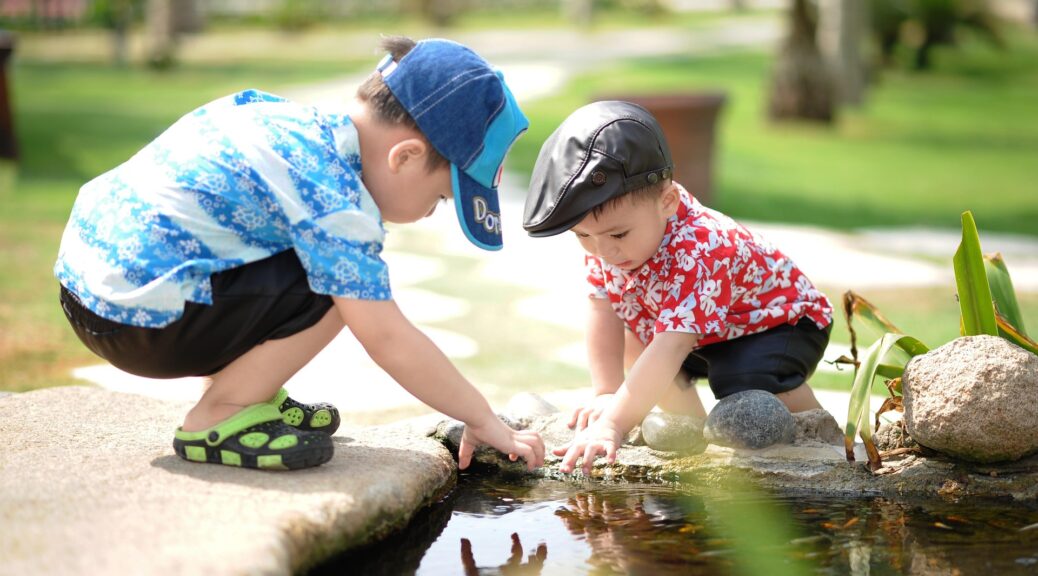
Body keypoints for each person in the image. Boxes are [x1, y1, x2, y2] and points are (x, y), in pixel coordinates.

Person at [55, 36, 544, 472]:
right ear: (406, 156)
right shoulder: (334, 198)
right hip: (138, 321)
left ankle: (249, 393)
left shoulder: (289, 123)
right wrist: (480, 417)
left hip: (91, 289)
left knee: (313, 261)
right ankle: (220, 415)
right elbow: (387, 338)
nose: (429, 213)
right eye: (440, 199)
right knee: (343, 289)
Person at [522, 101, 832, 474]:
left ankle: (820, 436)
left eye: (618, 234)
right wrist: (607, 392)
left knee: (741, 380)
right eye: (583, 236)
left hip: (780, 324)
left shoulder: (701, 246)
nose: (604, 251)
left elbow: (672, 346)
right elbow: (602, 309)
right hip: (705, 332)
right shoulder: (608, 243)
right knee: (637, 341)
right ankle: (693, 438)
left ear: (667, 202)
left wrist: (613, 424)